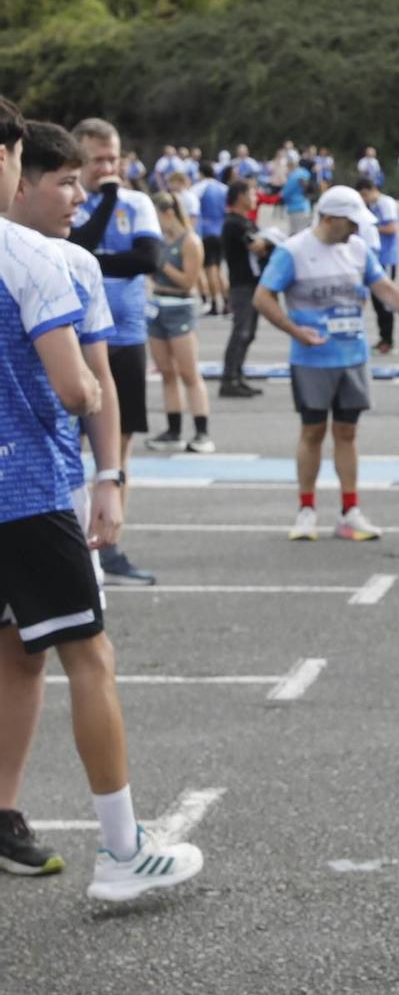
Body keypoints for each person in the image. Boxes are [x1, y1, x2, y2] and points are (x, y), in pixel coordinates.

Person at [0, 98, 206, 900]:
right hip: (27, 490)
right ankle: (122, 851)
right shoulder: (31, 258)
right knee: (92, 655)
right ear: (12, 158)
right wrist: (86, 390)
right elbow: (77, 385)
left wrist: (111, 474)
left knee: (21, 654)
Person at [257, 186, 399, 541]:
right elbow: (262, 297)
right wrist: (295, 331)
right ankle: (306, 509)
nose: (357, 229)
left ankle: (350, 510)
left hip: (353, 356)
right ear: (329, 218)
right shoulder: (293, 251)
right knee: (312, 431)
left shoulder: (358, 249)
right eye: (351, 222)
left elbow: (384, 288)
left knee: (347, 432)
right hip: (312, 359)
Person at [66, 119, 163, 587]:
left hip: (125, 335)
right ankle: (68, 541)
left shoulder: (137, 202)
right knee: (68, 442)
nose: (109, 168)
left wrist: (89, 262)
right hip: (71, 338)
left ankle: (110, 544)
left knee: (117, 446)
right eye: (98, 160)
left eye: (114, 158)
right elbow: (75, 245)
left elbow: (148, 260)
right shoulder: (74, 203)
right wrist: (103, 199)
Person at [142, 192, 213, 455]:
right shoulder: (160, 240)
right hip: (158, 306)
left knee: (189, 372)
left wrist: (162, 264)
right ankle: (173, 430)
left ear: (168, 213)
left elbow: (188, 281)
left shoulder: (190, 241)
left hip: (180, 308)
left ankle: (202, 431)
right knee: (166, 372)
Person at [218, 180, 267, 399]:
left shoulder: (246, 221)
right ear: (240, 196)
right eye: (252, 193)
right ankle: (229, 379)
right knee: (241, 332)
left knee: (250, 333)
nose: (255, 197)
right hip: (242, 285)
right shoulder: (233, 224)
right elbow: (256, 246)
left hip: (253, 283)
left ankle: (238, 374)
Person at [356, 174, 399, 355]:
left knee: (385, 300)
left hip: (386, 258)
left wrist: (371, 228)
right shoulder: (372, 205)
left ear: (369, 191)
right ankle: (383, 337)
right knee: (376, 301)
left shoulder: (385, 203)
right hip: (375, 257)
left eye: (364, 196)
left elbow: (392, 228)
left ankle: (388, 339)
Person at [191, 163, 228, 316]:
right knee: (220, 270)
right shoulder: (224, 188)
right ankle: (227, 303)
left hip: (206, 232)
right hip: (222, 230)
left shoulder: (199, 188)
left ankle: (214, 303)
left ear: (201, 173)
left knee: (210, 270)